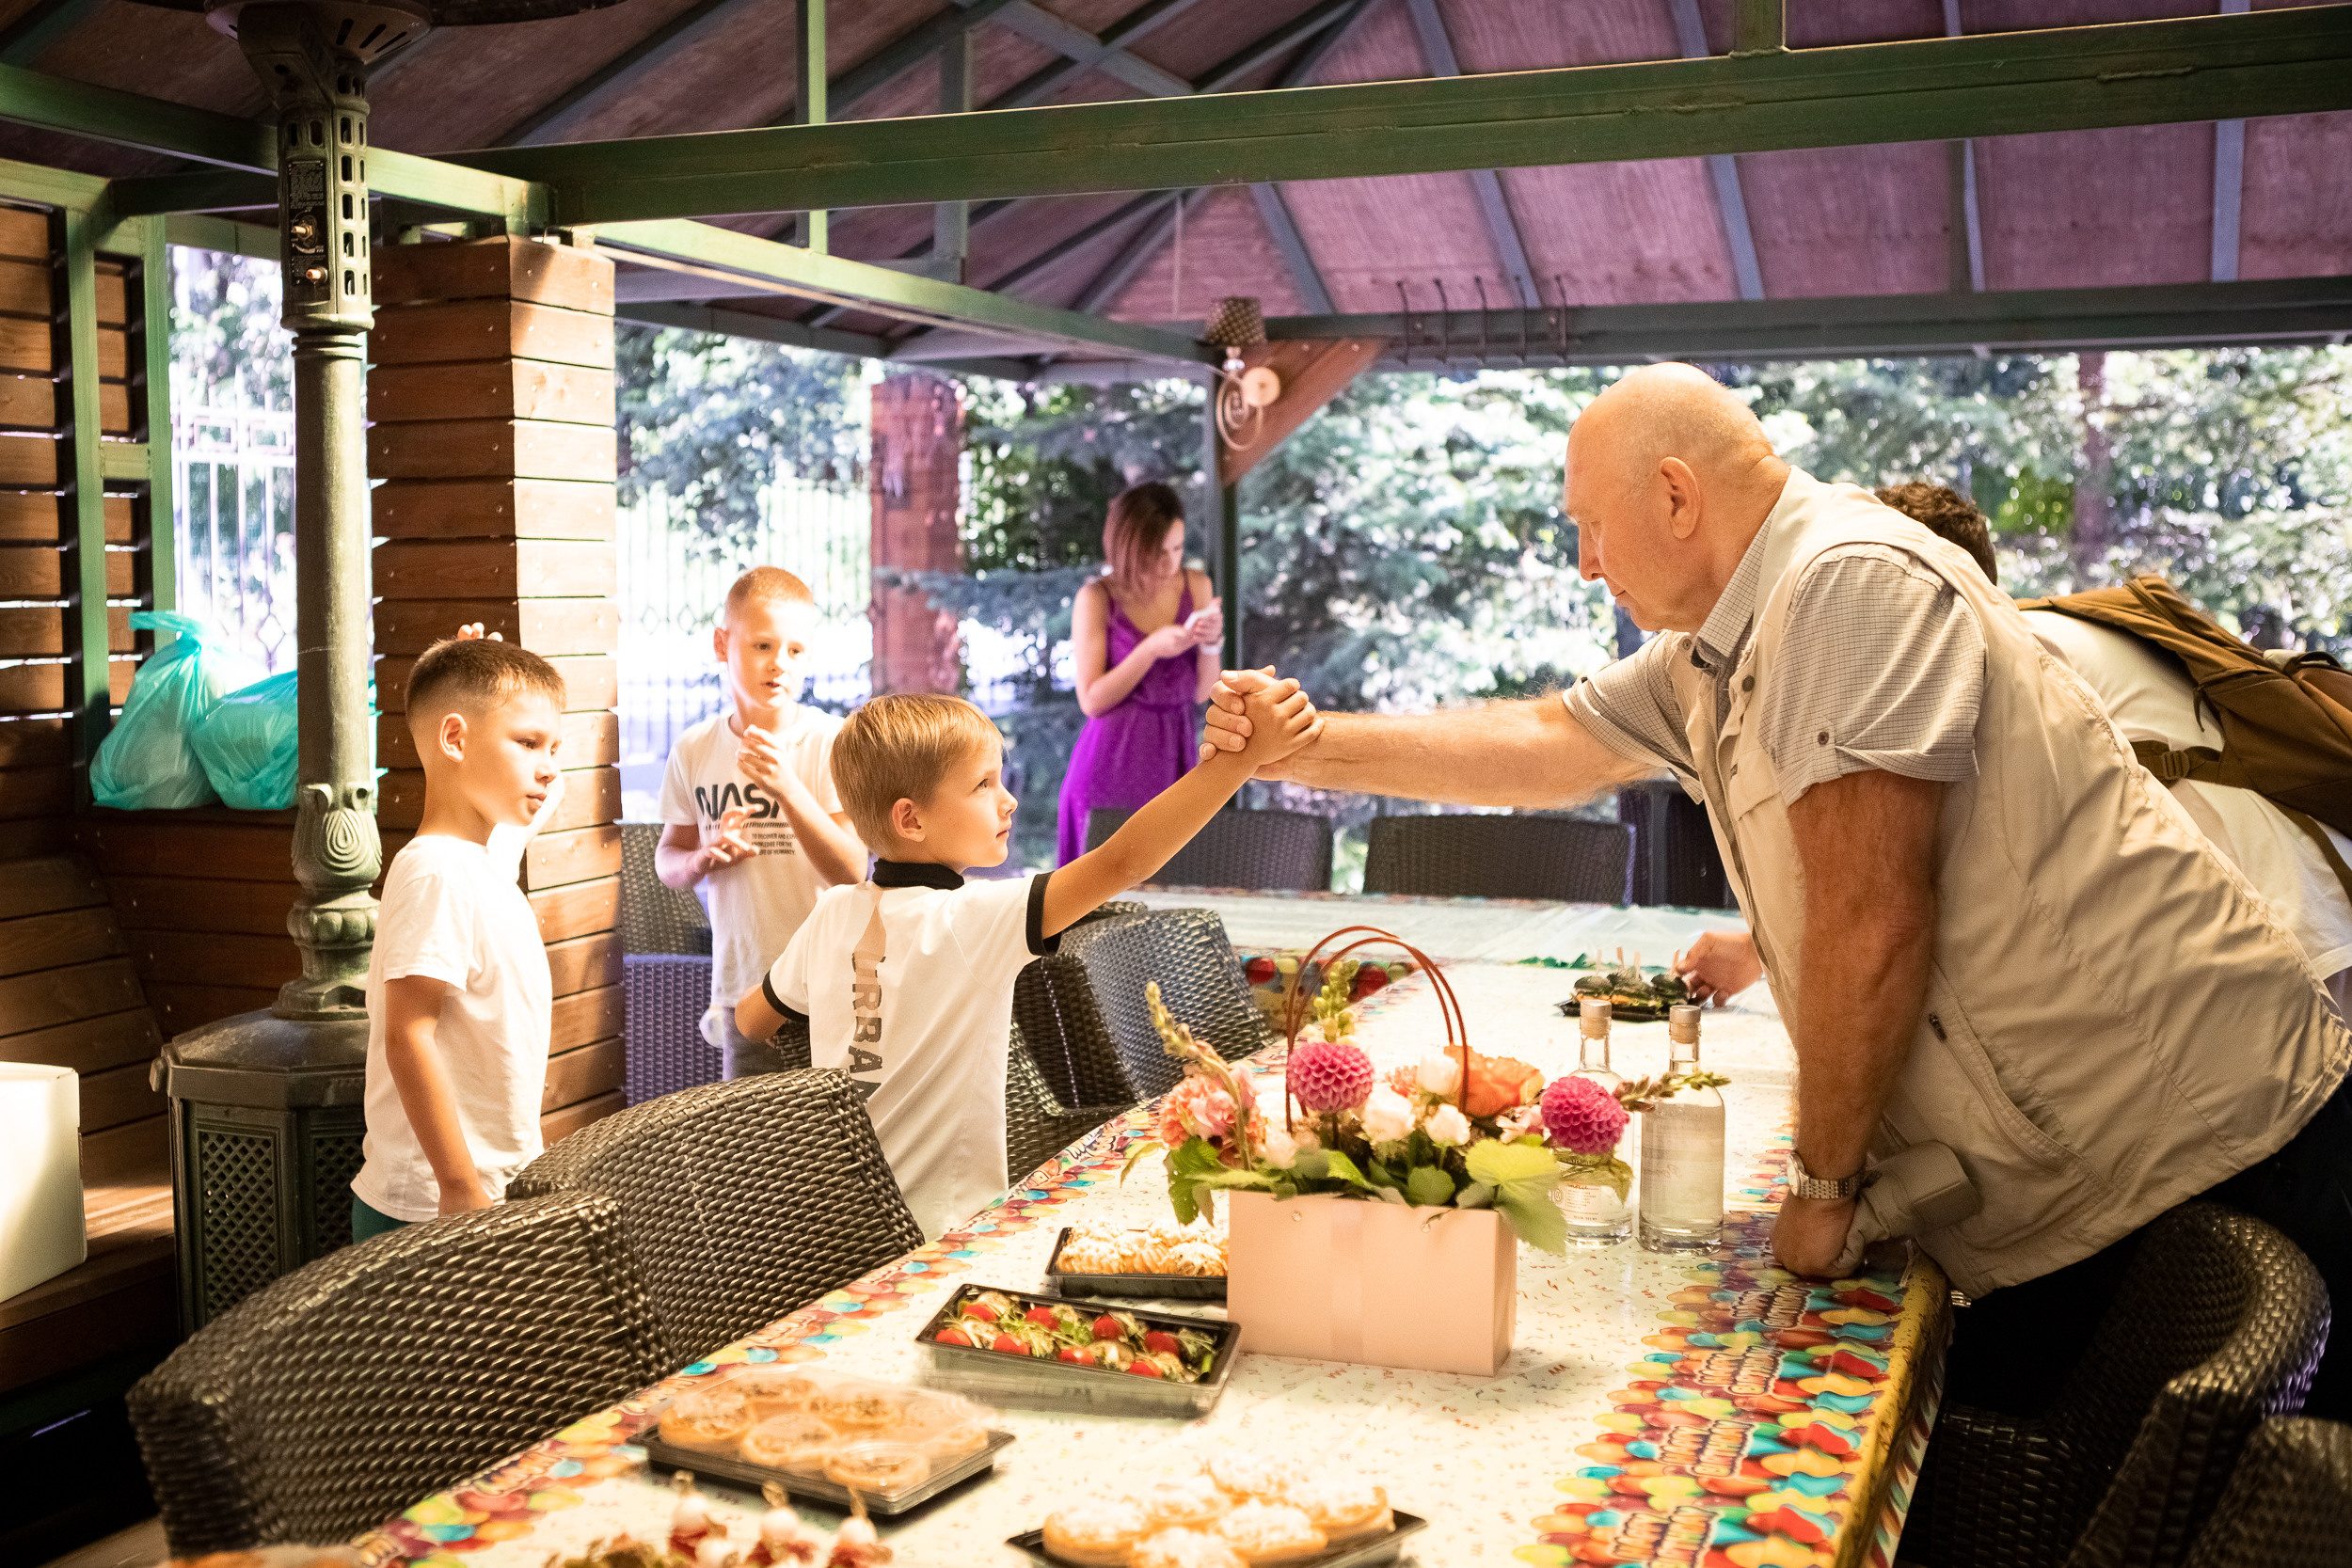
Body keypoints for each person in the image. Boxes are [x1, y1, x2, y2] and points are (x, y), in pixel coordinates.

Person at [1200, 363, 2351, 1415]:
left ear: (1675, 495)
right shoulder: (1721, 638)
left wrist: (1821, 1184)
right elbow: (1549, 738)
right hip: (2100, 1170)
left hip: (2196, 1147)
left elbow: (1872, 918)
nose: (1585, 563)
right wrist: (1300, 746)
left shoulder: (1844, 583)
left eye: (1591, 528)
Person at [1682, 484, 2352, 1022]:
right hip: (2310, 911)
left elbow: (1901, 867)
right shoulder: (2050, 629)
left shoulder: (1991, 657)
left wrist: (1765, 947)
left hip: (2268, 949)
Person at [737, 677, 1317, 1241]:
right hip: (947, 1234)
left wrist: (864, 1023)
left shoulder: (833, 912)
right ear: (911, 819)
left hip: (846, 1228)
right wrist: (1238, 763)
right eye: (983, 785)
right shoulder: (973, 918)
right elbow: (1122, 863)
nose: (1008, 800)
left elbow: (753, 1021)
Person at [351, 633, 567, 1242]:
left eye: (554, 745)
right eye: (528, 743)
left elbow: (543, 784)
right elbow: (407, 1034)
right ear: (453, 739)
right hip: (431, 1205)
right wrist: (459, 1183)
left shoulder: (486, 858)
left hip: (485, 1190)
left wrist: (491, 674)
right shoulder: (438, 872)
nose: (548, 766)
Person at [657, 567, 866, 1078]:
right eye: (762, 646)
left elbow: (853, 869)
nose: (779, 664)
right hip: (744, 988)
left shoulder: (827, 741)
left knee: (834, 1147)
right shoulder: (694, 748)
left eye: (795, 651)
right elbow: (668, 860)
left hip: (829, 986)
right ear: (722, 643)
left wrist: (786, 787)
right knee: (750, 1152)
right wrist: (703, 858)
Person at [1056, 482, 1225, 865]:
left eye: (1178, 549)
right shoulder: (1097, 597)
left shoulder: (1196, 585)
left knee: (1173, 888)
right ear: (1130, 550)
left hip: (1174, 759)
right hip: (1108, 766)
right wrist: (1149, 650)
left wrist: (1212, 643)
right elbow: (1092, 701)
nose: (1170, 564)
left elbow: (1203, 691)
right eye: (1157, 552)